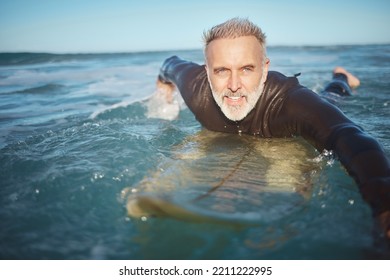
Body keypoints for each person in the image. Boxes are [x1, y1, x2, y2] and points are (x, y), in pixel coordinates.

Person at [155, 18, 390, 240]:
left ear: (264, 69)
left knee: (331, 96)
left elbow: (349, 135)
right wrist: (164, 96)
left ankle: (342, 77)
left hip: (317, 103)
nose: (234, 86)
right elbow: (169, 64)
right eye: (221, 71)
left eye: (247, 69)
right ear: (207, 71)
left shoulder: (289, 102)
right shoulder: (195, 86)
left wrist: (384, 208)